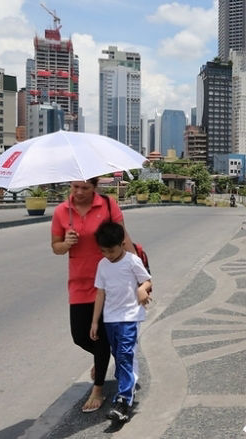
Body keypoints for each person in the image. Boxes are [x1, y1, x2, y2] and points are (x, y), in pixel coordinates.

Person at [51, 177, 136, 413]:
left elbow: (124, 238)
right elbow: (55, 247)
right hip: (78, 282)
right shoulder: (61, 211)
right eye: (75, 187)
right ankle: (106, 356)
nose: (79, 192)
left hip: (110, 282)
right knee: (81, 335)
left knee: (100, 334)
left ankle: (98, 388)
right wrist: (66, 243)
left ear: (95, 188)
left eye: (85, 188)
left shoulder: (108, 206)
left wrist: (139, 274)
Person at [90, 221, 152, 423]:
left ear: (122, 243)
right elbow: (100, 293)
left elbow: (147, 280)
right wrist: (95, 322)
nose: (108, 255)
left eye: (111, 250)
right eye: (103, 251)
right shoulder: (102, 265)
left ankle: (124, 400)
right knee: (119, 355)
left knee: (125, 354)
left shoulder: (132, 261)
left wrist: (143, 289)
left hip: (130, 317)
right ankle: (127, 383)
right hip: (110, 318)